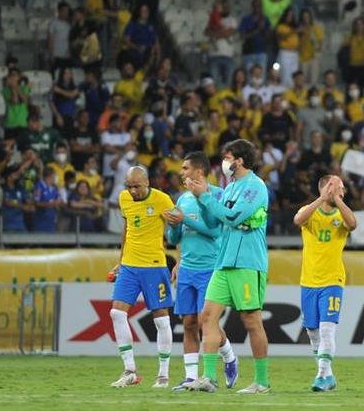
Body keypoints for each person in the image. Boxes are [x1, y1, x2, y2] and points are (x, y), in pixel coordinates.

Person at [189, 139, 271, 395]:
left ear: (241, 160)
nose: (224, 162)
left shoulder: (255, 188)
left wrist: (206, 197)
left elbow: (234, 217)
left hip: (247, 263)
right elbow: (215, 223)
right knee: (207, 316)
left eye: (228, 156)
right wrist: (201, 198)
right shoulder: (230, 188)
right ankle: (209, 377)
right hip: (224, 262)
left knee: (251, 321)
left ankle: (262, 382)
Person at [164, 151, 240, 392]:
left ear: (199, 171)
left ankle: (228, 356)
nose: (181, 172)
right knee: (188, 323)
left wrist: (185, 219)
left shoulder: (217, 194)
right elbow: (175, 237)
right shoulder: (182, 199)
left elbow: (215, 232)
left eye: (185, 168)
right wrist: (173, 226)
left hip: (211, 268)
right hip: (187, 268)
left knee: (205, 322)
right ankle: (190, 377)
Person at [106, 165, 176, 388]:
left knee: (161, 319)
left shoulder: (162, 200)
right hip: (129, 265)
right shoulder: (123, 198)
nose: (132, 190)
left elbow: (178, 229)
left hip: (154, 266)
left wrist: (181, 259)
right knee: (117, 313)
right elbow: (126, 230)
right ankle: (130, 371)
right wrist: (120, 260)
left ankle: (163, 374)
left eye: (137, 186)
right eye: (129, 186)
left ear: (147, 183)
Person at [293, 172, 358, 392]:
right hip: (309, 280)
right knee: (312, 331)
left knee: (327, 330)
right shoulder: (310, 212)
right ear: (323, 188)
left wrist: (337, 199)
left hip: (333, 280)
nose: (341, 190)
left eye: (341, 188)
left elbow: (353, 224)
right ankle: (328, 376)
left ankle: (321, 375)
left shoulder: (342, 215)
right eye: (336, 187)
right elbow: (298, 220)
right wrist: (321, 198)